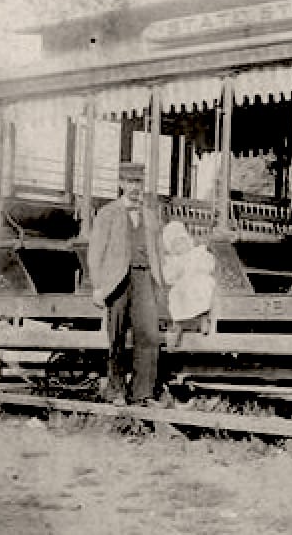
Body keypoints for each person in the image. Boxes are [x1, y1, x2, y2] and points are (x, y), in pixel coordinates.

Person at [87, 161, 164, 407]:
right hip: (117, 281)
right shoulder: (107, 213)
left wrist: (160, 282)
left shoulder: (151, 216)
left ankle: (143, 393)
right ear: (121, 184)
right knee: (116, 337)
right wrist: (98, 286)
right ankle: (116, 391)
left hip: (144, 279)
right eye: (130, 182)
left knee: (148, 336)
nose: (134, 187)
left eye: (138, 182)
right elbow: (96, 251)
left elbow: (159, 252)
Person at [160, 220, 217, 337]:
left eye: (182, 242)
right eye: (176, 245)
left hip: (198, 280)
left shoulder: (197, 252)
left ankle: (203, 319)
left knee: (203, 287)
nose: (180, 247)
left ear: (188, 241)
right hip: (182, 285)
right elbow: (168, 277)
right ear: (171, 248)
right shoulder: (173, 261)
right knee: (176, 296)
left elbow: (209, 265)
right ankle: (179, 323)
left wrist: (198, 265)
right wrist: (177, 271)